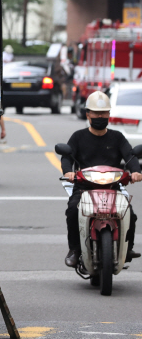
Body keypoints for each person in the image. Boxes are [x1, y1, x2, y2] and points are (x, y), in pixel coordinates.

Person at [61, 91, 142, 267]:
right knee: (73, 211)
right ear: (88, 114)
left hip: (113, 186)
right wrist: (68, 172)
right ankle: (74, 249)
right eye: (96, 113)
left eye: (104, 113)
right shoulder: (78, 136)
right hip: (84, 187)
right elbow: (66, 157)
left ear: (109, 114)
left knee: (131, 214)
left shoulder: (117, 137)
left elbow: (130, 156)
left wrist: (136, 171)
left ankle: (127, 249)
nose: (100, 116)